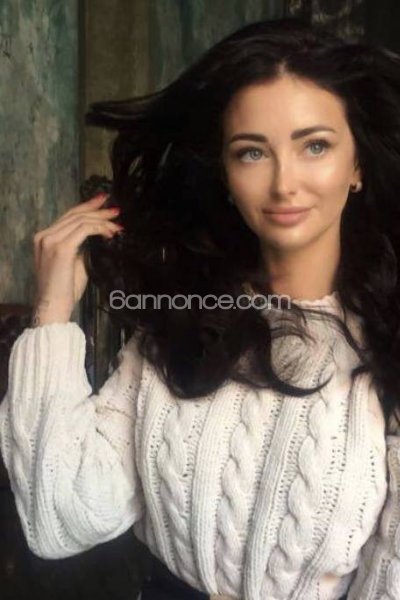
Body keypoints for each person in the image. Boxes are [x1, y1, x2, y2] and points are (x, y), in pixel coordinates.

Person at [1, 16, 400, 600]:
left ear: (357, 165)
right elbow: (60, 516)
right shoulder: (182, 324)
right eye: (252, 152)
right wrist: (52, 310)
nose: (284, 183)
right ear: (225, 173)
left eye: (315, 145)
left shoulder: (386, 344)